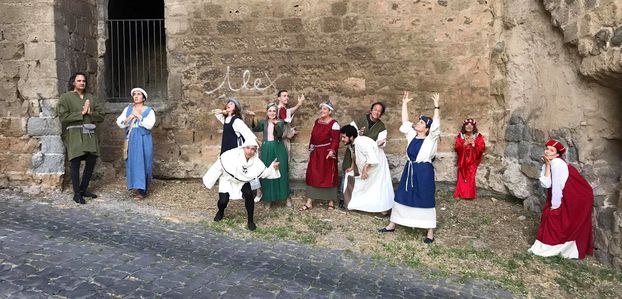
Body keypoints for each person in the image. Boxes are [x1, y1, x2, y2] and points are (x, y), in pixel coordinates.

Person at [379, 92, 441, 244]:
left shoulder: (431, 139)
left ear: (426, 129)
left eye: (421, 123)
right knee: (402, 194)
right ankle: (393, 223)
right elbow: (405, 121)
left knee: (425, 197)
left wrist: (436, 107)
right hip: (410, 169)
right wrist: (404, 104)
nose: (418, 123)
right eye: (419, 122)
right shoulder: (412, 136)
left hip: (424, 171)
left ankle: (429, 231)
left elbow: (436, 125)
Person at [528, 139, 593, 259]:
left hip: (577, 195)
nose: (547, 151)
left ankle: (555, 249)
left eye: (551, 150)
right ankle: (551, 247)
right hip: (566, 193)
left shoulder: (557, 163)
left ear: (557, 154)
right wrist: (547, 165)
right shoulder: (548, 163)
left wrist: (555, 206)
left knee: (558, 218)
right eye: (547, 149)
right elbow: (546, 184)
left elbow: (557, 186)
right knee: (555, 217)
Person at [202, 139, 281, 231]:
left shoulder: (256, 162)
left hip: (243, 181)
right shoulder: (231, 155)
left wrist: (273, 167)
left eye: (252, 149)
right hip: (228, 180)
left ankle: (250, 220)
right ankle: (221, 211)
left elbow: (265, 172)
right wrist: (210, 180)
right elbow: (218, 165)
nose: (249, 151)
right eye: (247, 148)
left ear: (255, 151)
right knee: (223, 201)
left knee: (249, 195)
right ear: (243, 148)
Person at [57, 72, 105, 204]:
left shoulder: (91, 98)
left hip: (89, 134)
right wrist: (81, 113)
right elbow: (63, 117)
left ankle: (84, 189)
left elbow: (101, 116)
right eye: (79, 81)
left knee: (91, 161)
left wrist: (91, 113)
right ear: (73, 82)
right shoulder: (65, 98)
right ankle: (76, 193)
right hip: (75, 135)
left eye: (83, 81)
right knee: (75, 162)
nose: (82, 83)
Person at [341, 102, 388, 208]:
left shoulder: (381, 126)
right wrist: (358, 133)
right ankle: (344, 198)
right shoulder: (361, 120)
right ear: (371, 110)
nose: (377, 112)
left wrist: (381, 142)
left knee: (364, 179)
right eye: (375, 109)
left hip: (368, 156)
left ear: (381, 114)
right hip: (353, 151)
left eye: (379, 111)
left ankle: (359, 202)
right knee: (349, 171)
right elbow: (349, 132)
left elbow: (382, 139)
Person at [339, 125, 394, 213]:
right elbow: (354, 155)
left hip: (377, 163)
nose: (342, 139)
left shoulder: (361, 142)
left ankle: (384, 208)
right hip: (370, 163)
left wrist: (365, 168)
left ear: (351, 137)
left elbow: (371, 155)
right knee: (364, 183)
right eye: (342, 137)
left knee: (378, 186)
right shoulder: (351, 143)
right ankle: (361, 205)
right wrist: (352, 167)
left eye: (344, 137)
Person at [115, 87, 156, 200]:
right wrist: (129, 117)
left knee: (144, 162)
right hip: (132, 138)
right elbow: (120, 122)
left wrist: (138, 115)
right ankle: (136, 186)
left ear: (143, 98)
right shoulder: (128, 109)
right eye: (134, 94)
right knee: (133, 162)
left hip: (144, 138)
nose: (136, 96)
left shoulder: (149, 110)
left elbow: (149, 125)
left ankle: (143, 190)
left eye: (139, 94)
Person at [301, 100, 340, 211]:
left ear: (329, 111)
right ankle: (309, 201)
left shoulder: (334, 124)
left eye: (325, 109)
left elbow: (336, 140)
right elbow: (313, 136)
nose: (322, 111)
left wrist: (332, 151)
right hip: (316, 152)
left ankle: (331, 201)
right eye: (321, 108)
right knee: (313, 174)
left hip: (327, 153)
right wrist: (311, 147)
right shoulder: (317, 121)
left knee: (328, 176)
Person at [251, 103, 290, 207]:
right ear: (267, 112)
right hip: (266, 148)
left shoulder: (280, 122)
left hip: (278, 148)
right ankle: (268, 199)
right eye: (270, 111)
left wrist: (276, 125)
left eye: (274, 111)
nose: (272, 113)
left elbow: (279, 134)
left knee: (281, 171)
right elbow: (255, 128)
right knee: (267, 172)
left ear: (276, 112)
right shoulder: (264, 122)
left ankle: (286, 197)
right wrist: (254, 117)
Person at [453, 118, 485, 200]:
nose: (469, 126)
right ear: (464, 126)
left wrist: (474, 144)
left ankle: (469, 194)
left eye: (471, 125)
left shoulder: (478, 136)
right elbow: (457, 147)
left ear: (474, 127)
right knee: (461, 175)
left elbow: (481, 148)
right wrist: (464, 144)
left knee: (470, 175)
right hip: (463, 161)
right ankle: (461, 193)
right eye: (467, 125)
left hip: (472, 160)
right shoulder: (460, 136)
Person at [276, 89, 305, 158]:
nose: (287, 97)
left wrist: (299, 104)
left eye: (287, 96)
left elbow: (289, 111)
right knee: (283, 162)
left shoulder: (283, 109)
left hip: (282, 141)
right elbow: (282, 125)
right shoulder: (278, 109)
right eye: (284, 96)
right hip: (281, 142)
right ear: (279, 98)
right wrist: (290, 132)